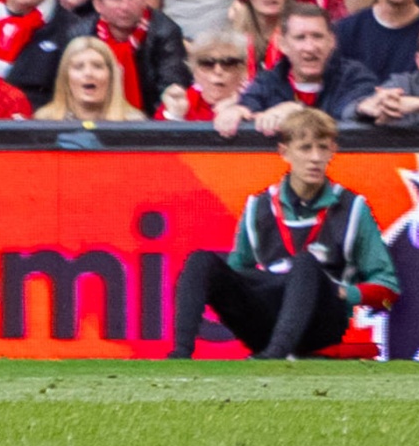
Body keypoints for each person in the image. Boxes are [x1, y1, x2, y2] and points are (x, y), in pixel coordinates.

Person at [163, 106, 396, 359]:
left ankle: (275, 356)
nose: (316, 158)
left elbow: (388, 289)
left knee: (306, 262)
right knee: (201, 261)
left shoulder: (352, 208)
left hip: (322, 318)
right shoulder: (258, 206)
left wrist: (346, 293)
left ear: (333, 151)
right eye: (306, 148)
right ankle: (180, 355)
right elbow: (238, 272)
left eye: (323, 147)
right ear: (284, 152)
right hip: (266, 317)